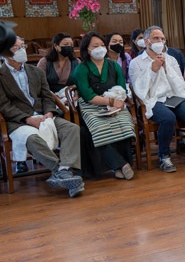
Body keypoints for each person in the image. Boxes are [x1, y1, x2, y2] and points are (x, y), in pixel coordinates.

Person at [0, 37, 84, 197]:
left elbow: (47, 96)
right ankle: (60, 171)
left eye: (22, 46)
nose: (21, 50)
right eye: (16, 48)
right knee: (32, 139)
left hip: (43, 115)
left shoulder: (36, 72)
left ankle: (64, 170)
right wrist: (27, 119)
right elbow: (4, 105)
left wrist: (50, 112)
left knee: (72, 129)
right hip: (18, 121)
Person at [129, 26, 185, 173]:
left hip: (173, 96)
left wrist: (166, 69)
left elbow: (180, 84)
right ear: (146, 41)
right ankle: (164, 157)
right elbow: (139, 89)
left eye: (162, 39)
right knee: (168, 118)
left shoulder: (171, 59)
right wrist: (152, 69)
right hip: (152, 100)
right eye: (156, 38)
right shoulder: (136, 62)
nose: (160, 41)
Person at [71, 32, 136, 180]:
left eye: (102, 45)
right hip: (92, 106)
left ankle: (119, 166)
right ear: (87, 49)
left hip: (116, 103)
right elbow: (87, 95)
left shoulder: (113, 65)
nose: (99, 48)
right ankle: (122, 165)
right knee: (100, 129)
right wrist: (109, 103)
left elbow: (122, 88)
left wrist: (116, 105)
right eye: (95, 46)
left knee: (124, 124)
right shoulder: (81, 69)